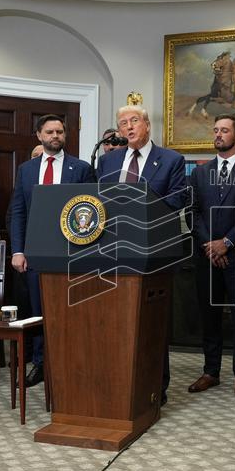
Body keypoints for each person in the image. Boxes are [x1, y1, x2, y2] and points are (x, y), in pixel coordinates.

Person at [97, 105, 188, 403]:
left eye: (134, 121)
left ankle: (155, 385)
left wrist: (139, 211)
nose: (128, 127)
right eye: (123, 123)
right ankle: (117, 379)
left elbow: (176, 201)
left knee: (151, 320)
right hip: (112, 251)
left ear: (147, 125)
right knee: (115, 320)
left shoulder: (171, 159)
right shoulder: (107, 161)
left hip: (153, 252)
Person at [10, 114, 94, 386]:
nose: (55, 136)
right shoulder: (26, 170)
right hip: (36, 251)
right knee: (38, 309)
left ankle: (71, 363)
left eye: (60, 131)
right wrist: (17, 250)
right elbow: (18, 213)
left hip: (72, 252)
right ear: (39, 135)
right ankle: (41, 363)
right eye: (50, 132)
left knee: (71, 309)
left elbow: (92, 210)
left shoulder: (80, 168)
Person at [186, 114, 235, 397]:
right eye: (216, 130)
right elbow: (192, 212)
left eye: (225, 130)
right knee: (209, 315)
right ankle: (211, 371)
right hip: (206, 256)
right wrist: (210, 244)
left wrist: (227, 242)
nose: (218, 134)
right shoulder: (199, 173)